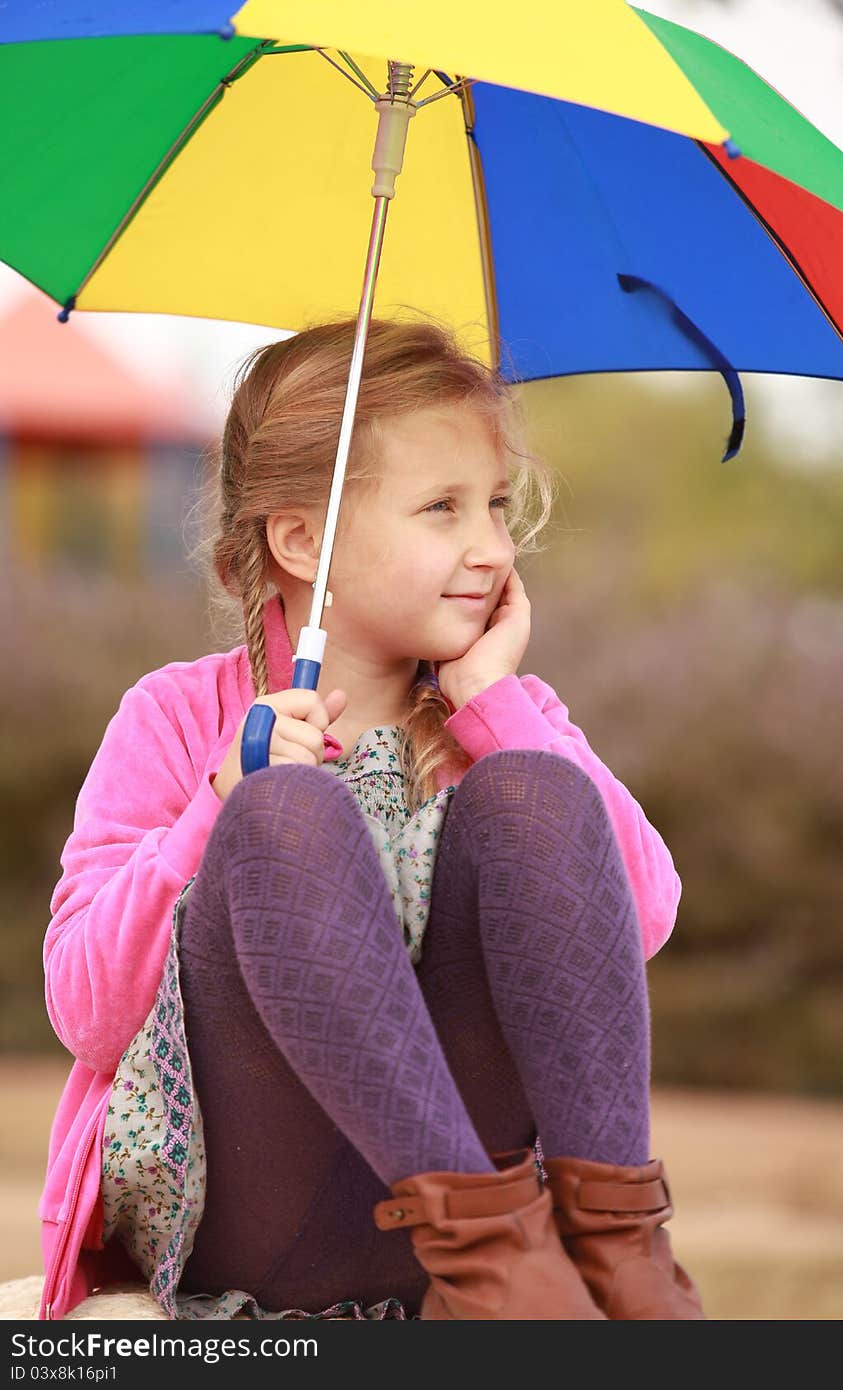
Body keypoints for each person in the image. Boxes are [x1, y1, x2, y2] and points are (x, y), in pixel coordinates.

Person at [38, 315, 704, 1322]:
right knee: (285, 818)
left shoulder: (509, 720)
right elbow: (87, 1013)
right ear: (301, 540)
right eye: (441, 508)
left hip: (465, 1227)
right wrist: (220, 805)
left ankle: (618, 1259)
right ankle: (493, 1260)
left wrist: (492, 705)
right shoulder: (176, 717)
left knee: (534, 794)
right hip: (257, 1215)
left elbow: (640, 916)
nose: (490, 547)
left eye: (496, 505)